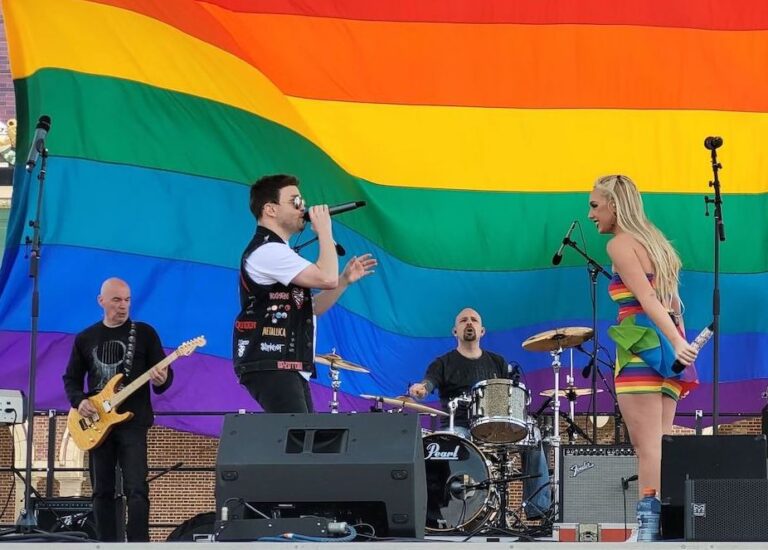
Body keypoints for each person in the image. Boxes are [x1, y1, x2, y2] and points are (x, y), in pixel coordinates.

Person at [588, 174, 699, 498]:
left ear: (614, 204)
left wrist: (679, 344)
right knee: (661, 444)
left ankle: (649, 527)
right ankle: (664, 521)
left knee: (647, 447)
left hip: (642, 351)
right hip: (666, 354)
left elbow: (648, 299)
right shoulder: (656, 243)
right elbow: (674, 304)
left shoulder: (619, 244)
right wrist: (679, 342)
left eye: (595, 206)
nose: (591, 214)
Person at [233, 174, 376, 413]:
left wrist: (344, 282)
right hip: (271, 361)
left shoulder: (282, 253)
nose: (304, 207)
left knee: (303, 442)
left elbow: (311, 308)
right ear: (270, 209)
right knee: (298, 441)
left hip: (288, 363)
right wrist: (325, 231)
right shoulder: (267, 251)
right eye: (295, 201)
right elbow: (325, 277)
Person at [409, 307, 552, 519]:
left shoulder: (498, 362)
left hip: (495, 427)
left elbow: (510, 396)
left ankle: (538, 509)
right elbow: (429, 382)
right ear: (454, 331)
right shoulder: (442, 363)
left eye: (474, 320)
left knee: (534, 437)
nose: (469, 323)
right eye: (463, 320)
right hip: (459, 426)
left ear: (482, 330)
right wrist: (421, 388)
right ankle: (440, 512)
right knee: (452, 440)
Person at [62, 277, 173, 542]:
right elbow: (71, 379)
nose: (123, 306)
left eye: (127, 300)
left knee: (136, 488)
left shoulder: (145, 333)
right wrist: (80, 401)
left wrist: (163, 379)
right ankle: (106, 543)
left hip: (133, 422)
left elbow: (164, 377)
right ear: (101, 301)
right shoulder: (85, 338)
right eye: (116, 300)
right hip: (97, 421)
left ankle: (138, 544)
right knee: (102, 489)